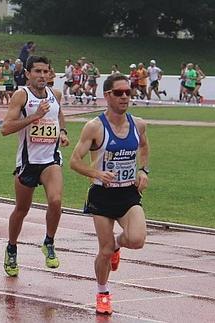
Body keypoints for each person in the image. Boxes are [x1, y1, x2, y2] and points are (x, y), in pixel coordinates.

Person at [69, 73, 149, 315]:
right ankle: (103, 292)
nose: (125, 96)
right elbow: (74, 161)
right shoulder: (95, 127)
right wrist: (96, 173)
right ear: (107, 96)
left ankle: (116, 245)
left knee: (136, 239)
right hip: (102, 195)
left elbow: (144, 146)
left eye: (128, 92)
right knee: (103, 251)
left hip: (127, 193)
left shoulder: (139, 124)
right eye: (119, 93)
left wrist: (143, 170)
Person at [0, 55, 69, 277]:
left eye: (45, 71)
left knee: (56, 201)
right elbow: (5, 128)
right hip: (28, 162)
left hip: (50, 160)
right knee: (22, 210)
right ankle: (12, 247)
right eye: (37, 71)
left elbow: (59, 114)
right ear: (28, 74)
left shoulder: (55, 95)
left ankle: (49, 242)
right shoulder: (21, 96)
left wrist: (64, 132)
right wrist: (35, 116)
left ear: (50, 73)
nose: (42, 75)